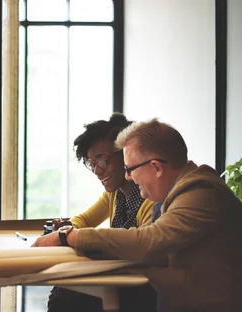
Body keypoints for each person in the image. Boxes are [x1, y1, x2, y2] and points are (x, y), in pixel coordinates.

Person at [32, 118, 242, 311]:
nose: (127, 176)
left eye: (130, 169)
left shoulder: (200, 192)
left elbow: (148, 242)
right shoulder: (177, 194)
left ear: (156, 167)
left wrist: (67, 236)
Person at [46, 113, 157, 312]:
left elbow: (143, 246)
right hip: (121, 277)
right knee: (63, 291)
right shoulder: (115, 194)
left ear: (126, 154)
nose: (97, 171)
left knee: (65, 296)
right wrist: (66, 230)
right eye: (92, 164)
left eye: (102, 160)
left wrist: (70, 236)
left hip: (144, 287)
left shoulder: (149, 194)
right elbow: (84, 219)